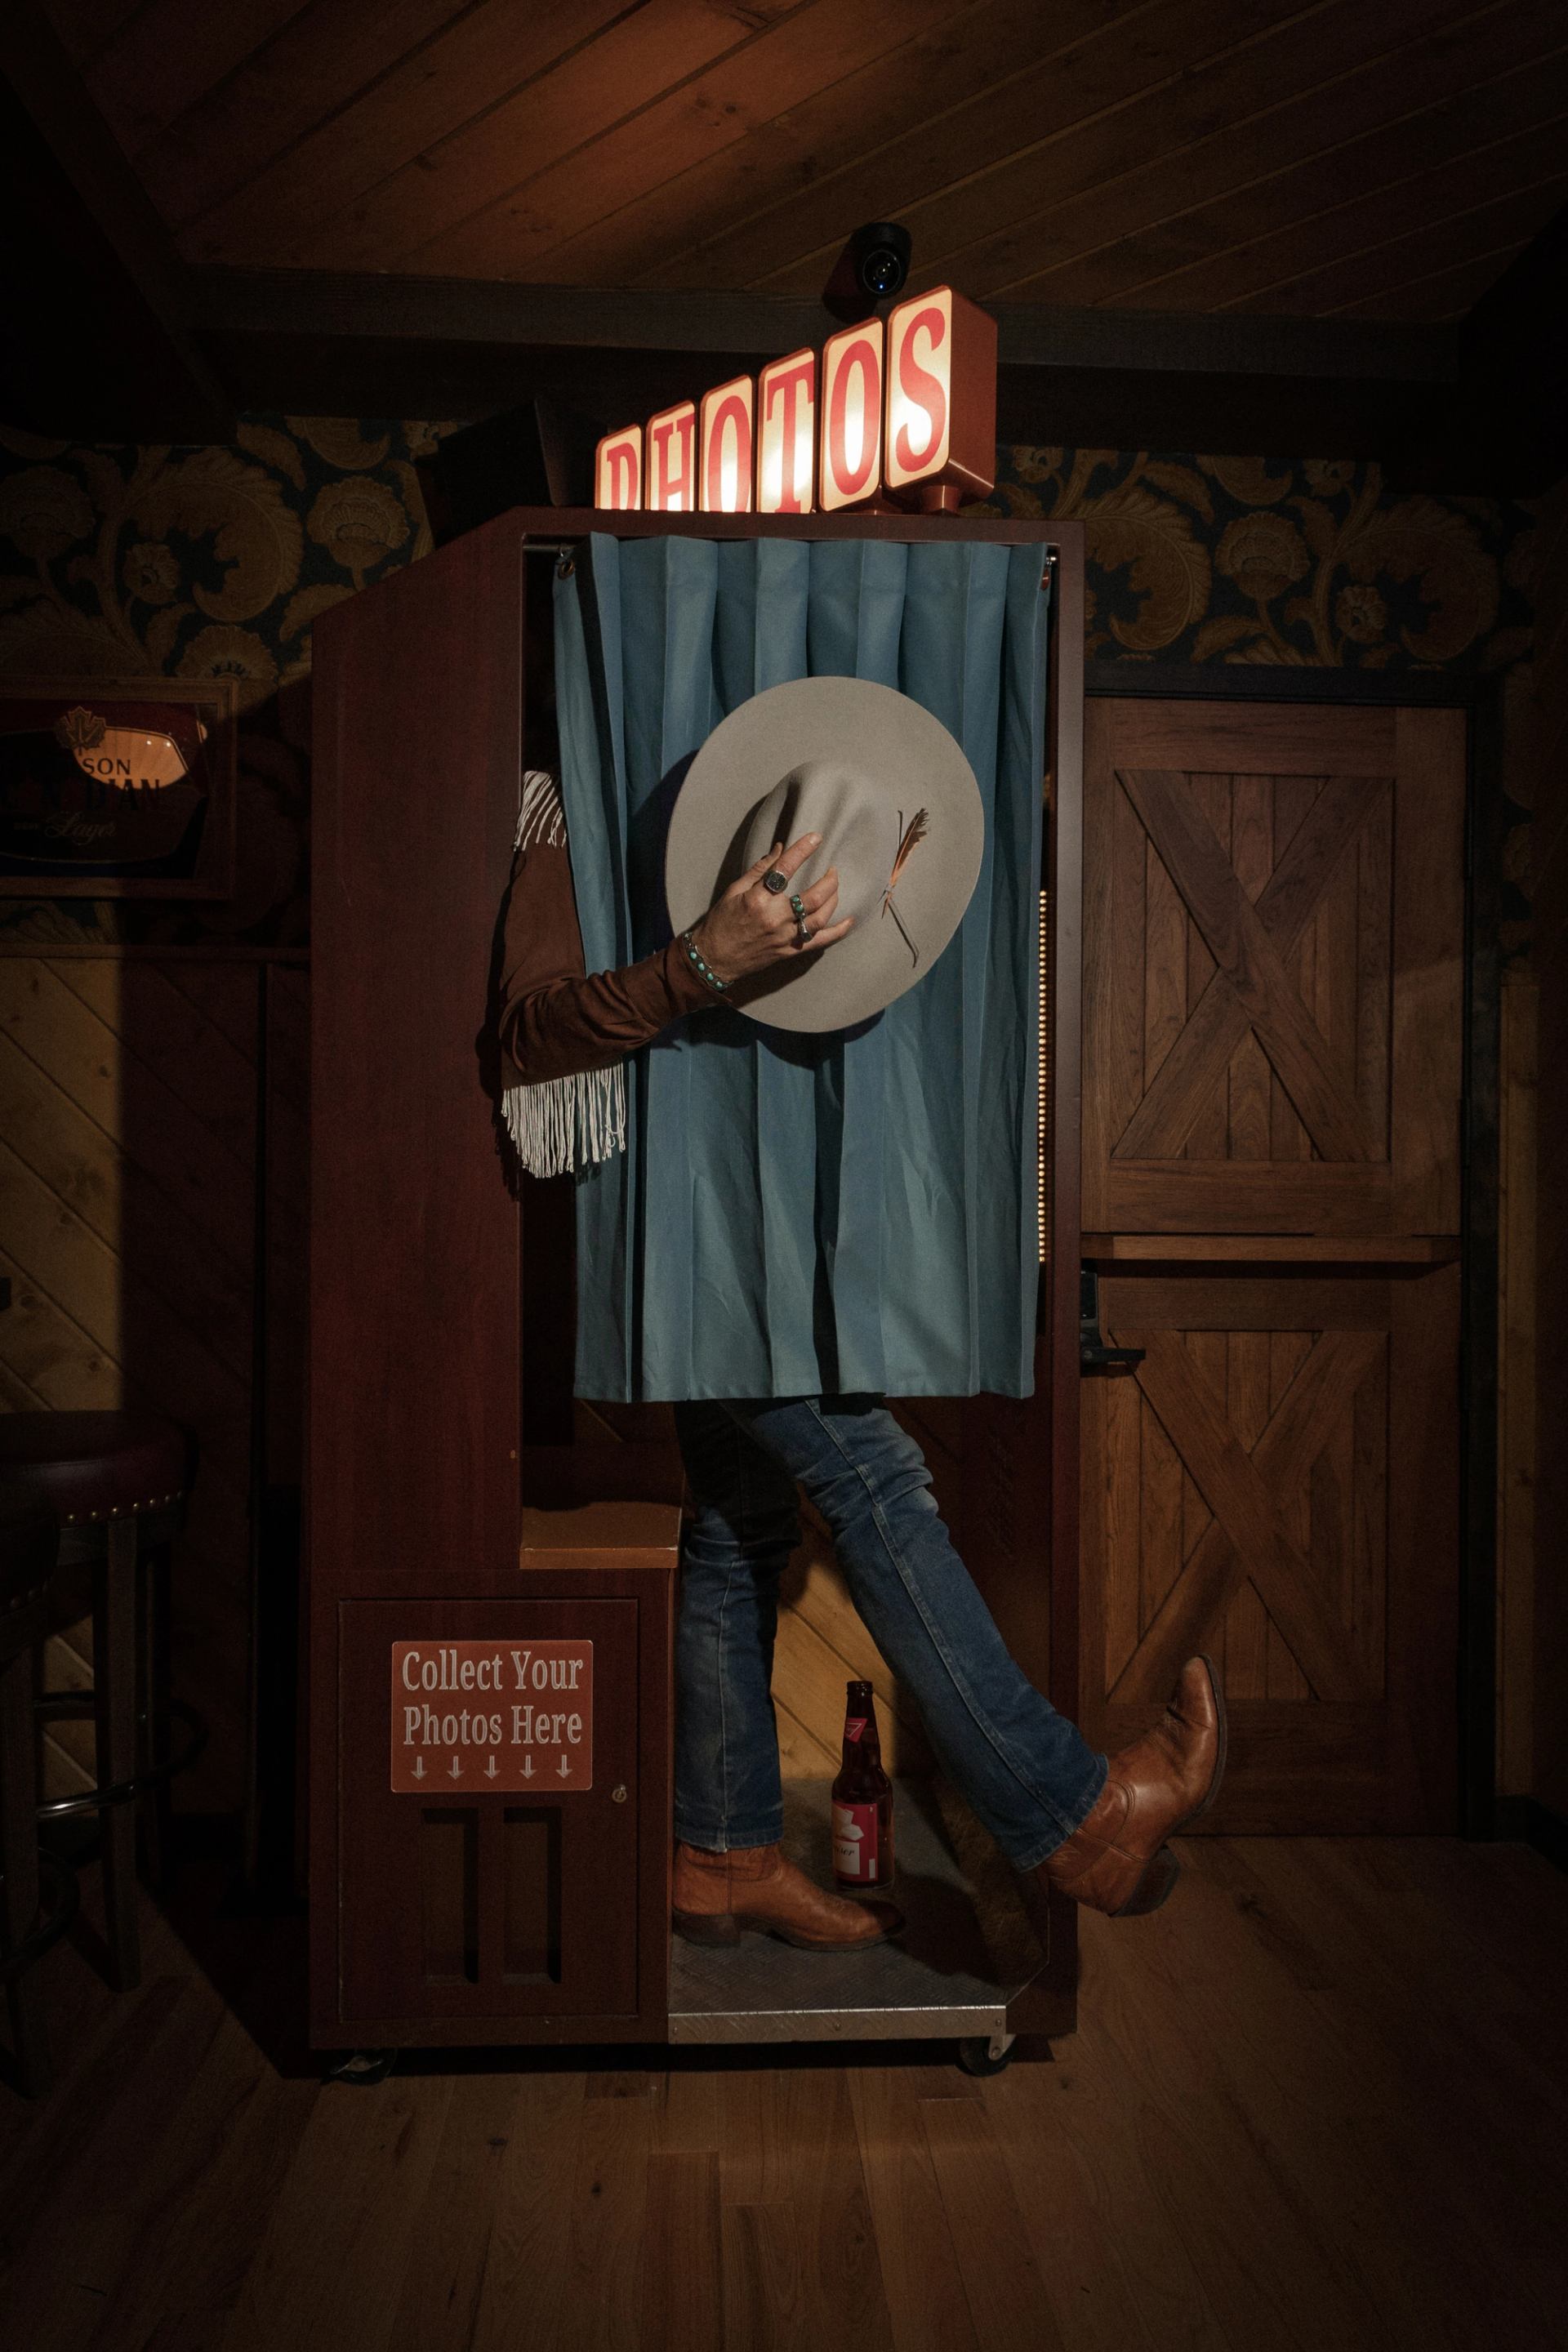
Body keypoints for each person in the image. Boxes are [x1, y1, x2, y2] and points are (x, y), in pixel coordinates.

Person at [498, 769, 1225, 1955]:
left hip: (744, 1227)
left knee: (740, 1521)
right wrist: (706, 958)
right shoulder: (584, 774)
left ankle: (720, 1853)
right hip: (680, 1237)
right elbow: (529, 1033)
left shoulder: (785, 795)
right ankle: (1072, 1811)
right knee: (872, 1477)